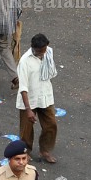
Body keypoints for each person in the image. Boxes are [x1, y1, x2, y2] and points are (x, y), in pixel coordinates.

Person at [16, 33, 59, 163]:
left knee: (51, 124)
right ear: (33, 48)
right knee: (26, 130)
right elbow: (23, 88)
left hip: (45, 96)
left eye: (44, 49)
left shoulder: (48, 53)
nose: (43, 53)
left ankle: (45, 150)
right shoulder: (24, 61)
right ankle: (26, 152)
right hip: (30, 99)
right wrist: (28, 109)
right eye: (40, 51)